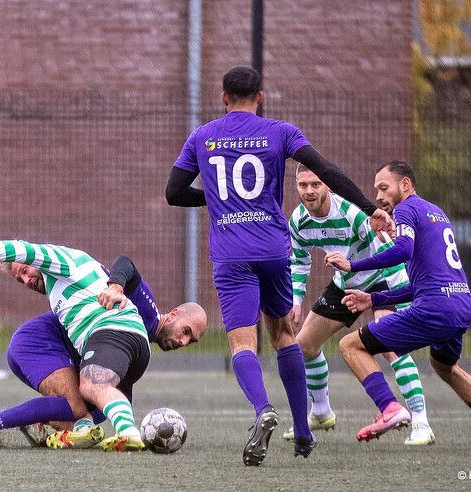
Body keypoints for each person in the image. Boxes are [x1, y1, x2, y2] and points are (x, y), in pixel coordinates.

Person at [165, 65, 395, 466]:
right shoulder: (281, 131)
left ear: (223, 98)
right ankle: (304, 433)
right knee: (284, 335)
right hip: (274, 250)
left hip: (231, 255)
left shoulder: (202, 137)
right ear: (260, 97)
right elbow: (326, 171)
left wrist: (220, 200)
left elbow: (173, 193)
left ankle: (262, 410)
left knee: (242, 342)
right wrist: (370, 208)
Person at [0, 232, 206, 452]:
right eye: (20, 279)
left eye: (26, 270)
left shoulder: (62, 260)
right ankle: (15, 424)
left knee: (91, 386)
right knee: (81, 405)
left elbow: (23, 249)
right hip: (132, 350)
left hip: (112, 330)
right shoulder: (60, 288)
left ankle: (128, 432)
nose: (26, 279)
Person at [325, 161, 471, 449]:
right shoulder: (435, 212)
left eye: (384, 187)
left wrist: (353, 265)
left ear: (405, 185)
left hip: (435, 308)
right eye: (376, 189)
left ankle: (390, 408)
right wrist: (374, 299)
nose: (378, 195)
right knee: (444, 367)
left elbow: (403, 250)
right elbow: (420, 284)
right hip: (461, 305)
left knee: (350, 345)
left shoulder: (406, 209)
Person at [283, 165, 434, 445]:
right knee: (303, 345)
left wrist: (398, 292)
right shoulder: (298, 221)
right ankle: (320, 412)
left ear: (327, 185)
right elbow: (300, 262)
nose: (309, 191)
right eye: (303, 185)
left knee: (391, 346)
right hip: (346, 283)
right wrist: (296, 300)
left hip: (382, 278)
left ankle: (421, 422)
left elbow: (386, 248)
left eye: (315, 184)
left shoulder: (351, 213)